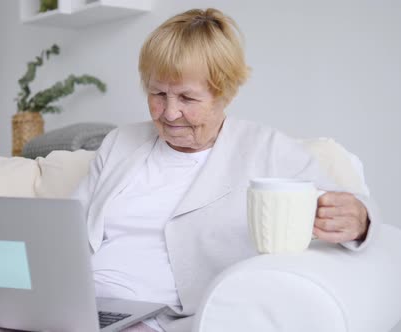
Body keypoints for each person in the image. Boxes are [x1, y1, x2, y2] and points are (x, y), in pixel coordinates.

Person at [70, 8, 377, 332]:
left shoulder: (265, 149)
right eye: (158, 94)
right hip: (78, 308)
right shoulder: (120, 142)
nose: (170, 113)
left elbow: (346, 210)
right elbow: (66, 226)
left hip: (165, 321)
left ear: (224, 94)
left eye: (187, 98)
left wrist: (361, 219)